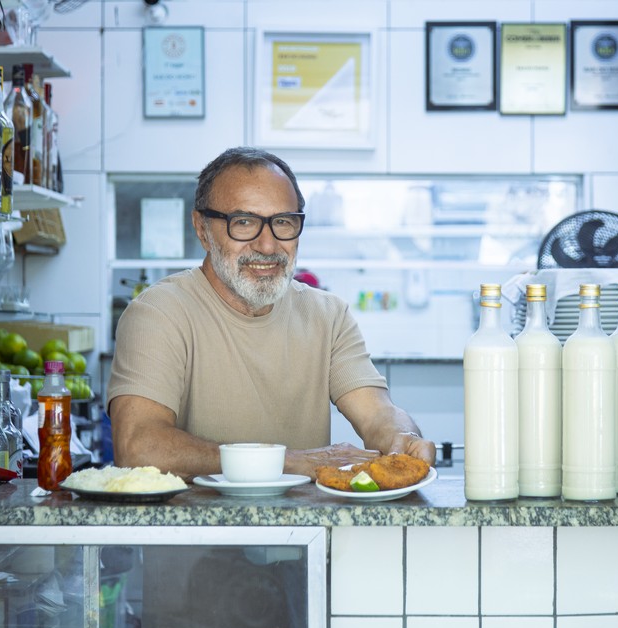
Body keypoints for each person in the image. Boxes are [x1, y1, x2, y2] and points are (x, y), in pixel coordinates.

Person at [107, 147, 435, 479]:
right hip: (195, 527)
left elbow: (378, 413)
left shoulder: (328, 316)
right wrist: (288, 462)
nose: (267, 245)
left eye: (283, 222)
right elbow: (138, 447)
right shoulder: (158, 313)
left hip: (308, 528)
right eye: (244, 222)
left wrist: (402, 437)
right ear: (202, 228)